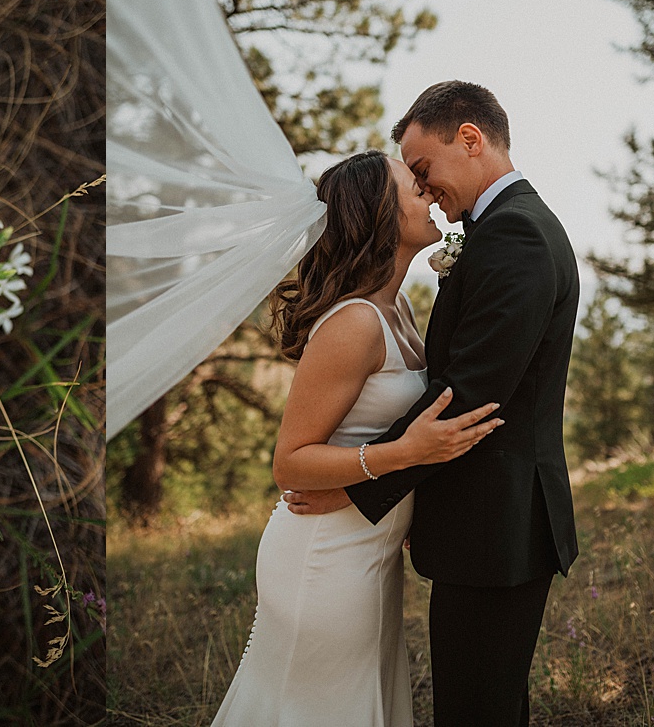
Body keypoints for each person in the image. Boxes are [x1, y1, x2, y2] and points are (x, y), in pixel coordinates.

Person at [285, 81, 580, 726]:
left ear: (469, 139)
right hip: (479, 525)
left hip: (497, 525)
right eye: (412, 180)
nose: (427, 190)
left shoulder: (516, 236)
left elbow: (469, 396)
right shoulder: (500, 231)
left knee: (478, 708)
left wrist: (362, 486)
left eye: (425, 170)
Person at [211, 149, 503, 726]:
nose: (426, 190)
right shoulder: (354, 323)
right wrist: (405, 455)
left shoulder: (397, 313)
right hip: (325, 555)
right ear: (377, 213)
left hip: (371, 548)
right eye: (411, 185)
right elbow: (291, 462)